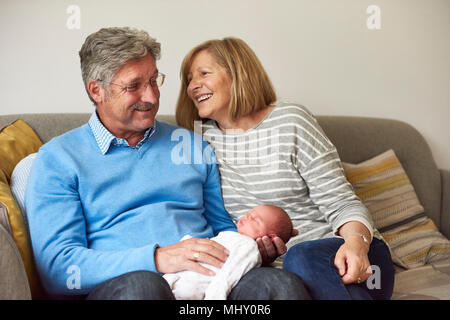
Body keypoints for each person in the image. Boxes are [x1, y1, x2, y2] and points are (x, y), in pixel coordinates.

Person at [25, 27, 309, 300]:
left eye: (153, 81)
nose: (151, 97)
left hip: (205, 278)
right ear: (97, 91)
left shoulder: (192, 145)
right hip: (125, 285)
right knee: (143, 287)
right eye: (133, 86)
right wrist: (158, 258)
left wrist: (250, 249)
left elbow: (223, 228)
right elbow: (60, 269)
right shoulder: (59, 158)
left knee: (278, 285)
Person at [175, 37, 395, 300]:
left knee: (302, 257)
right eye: (189, 79)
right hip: (283, 277)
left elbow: (342, 202)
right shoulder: (199, 143)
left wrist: (356, 246)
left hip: (351, 254)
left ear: (238, 74)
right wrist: (257, 252)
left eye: (204, 73)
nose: (192, 86)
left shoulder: (290, 120)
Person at [164, 204, 295, 300]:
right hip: (178, 275)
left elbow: (229, 275)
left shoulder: (249, 246)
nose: (247, 216)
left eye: (255, 220)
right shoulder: (229, 235)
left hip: (194, 286)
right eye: (249, 213)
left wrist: (216, 296)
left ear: (270, 237)